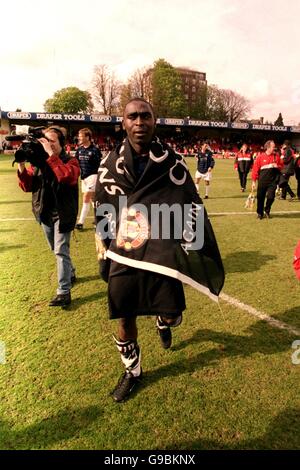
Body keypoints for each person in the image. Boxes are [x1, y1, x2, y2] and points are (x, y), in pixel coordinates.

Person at [94, 98, 224, 402]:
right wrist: (104, 251)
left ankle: (163, 322)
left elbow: (190, 200)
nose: (139, 122)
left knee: (173, 312)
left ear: (156, 121)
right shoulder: (109, 164)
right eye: (133, 117)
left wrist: (191, 243)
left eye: (146, 116)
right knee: (125, 316)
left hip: (161, 249)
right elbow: (103, 208)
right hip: (124, 249)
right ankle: (132, 372)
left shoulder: (173, 162)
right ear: (123, 122)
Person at [17, 126, 80, 307]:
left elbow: (67, 177)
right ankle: (71, 272)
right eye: (46, 140)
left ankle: (63, 291)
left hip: (63, 212)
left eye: (52, 141)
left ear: (62, 144)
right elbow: (28, 186)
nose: (48, 144)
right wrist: (22, 164)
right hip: (44, 212)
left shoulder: (71, 161)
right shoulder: (39, 161)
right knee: (56, 249)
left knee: (60, 250)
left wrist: (50, 156)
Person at [75, 128, 102, 230]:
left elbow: (100, 165)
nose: (79, 138)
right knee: (93, 199)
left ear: (87, 137)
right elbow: (76, 164)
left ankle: (80, 222)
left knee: (86, 198)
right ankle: (98, 219)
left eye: (81, 136)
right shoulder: (79, 150)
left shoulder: (95, 150)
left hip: (93, 176)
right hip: (84, 178)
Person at [251, 140, 283, 219]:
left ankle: (267, 210)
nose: (274, 148)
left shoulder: (276, 156)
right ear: (268, 147)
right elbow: (255, 170)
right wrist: (254, 181)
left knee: (271, 197)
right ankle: (260, 213)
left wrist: (277, 166)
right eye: (273, 147)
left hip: (273, 181)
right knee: (260, 198)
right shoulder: (260, 157)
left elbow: (281, 166)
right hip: (262, 181)